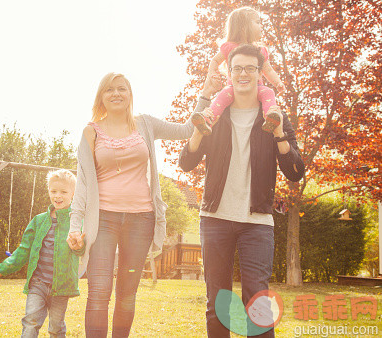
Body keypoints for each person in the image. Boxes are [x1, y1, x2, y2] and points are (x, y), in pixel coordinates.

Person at [66, 72, 205, 337]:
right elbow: (82, 184)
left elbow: (188, 129)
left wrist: (207, 91)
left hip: (141, 220)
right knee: (98, 292)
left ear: (130, 95)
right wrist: (75, 227)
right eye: (109, 90)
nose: (116, 93)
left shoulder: (145, 125)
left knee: (127, 293)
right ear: (101, 97)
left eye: (122, 88)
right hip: (103, 220)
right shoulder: (90, 132)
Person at [179, 44, 304, 337]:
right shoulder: (216, 114)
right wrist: (199, 129)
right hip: (215, 219)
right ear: (230, 73)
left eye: (250, 68)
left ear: (260, 73)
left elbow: (295, 172)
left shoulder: (275, 116)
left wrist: (278, 135)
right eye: (237, 68)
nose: (243, 73)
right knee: (218, 302)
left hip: (257, 222)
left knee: (257, 301)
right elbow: (186, 162)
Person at [0, 169, 84, 338]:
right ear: (48, 191)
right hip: (38, 283)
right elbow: (24, 249)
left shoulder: (76, 222)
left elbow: (82, 251)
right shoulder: (39, 220)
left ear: (73, 194)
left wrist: (78, 246)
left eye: (63, 192)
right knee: (31, 320)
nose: (58, 196)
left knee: (56, 327)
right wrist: (4, 267)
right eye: (53, 191)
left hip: (61, 285)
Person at [192, 6, 286, 136]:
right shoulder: (229, 47)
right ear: (244, 27)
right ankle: (208, 121)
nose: (261, 26)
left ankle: (271, 117)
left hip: (256, 87)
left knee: (269, 93)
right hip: (233, 88)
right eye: (257, 22)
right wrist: (213, 74)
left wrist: (278, 83)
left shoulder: (261, 50)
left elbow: (268, 70)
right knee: (221, 98)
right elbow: (214, 61)